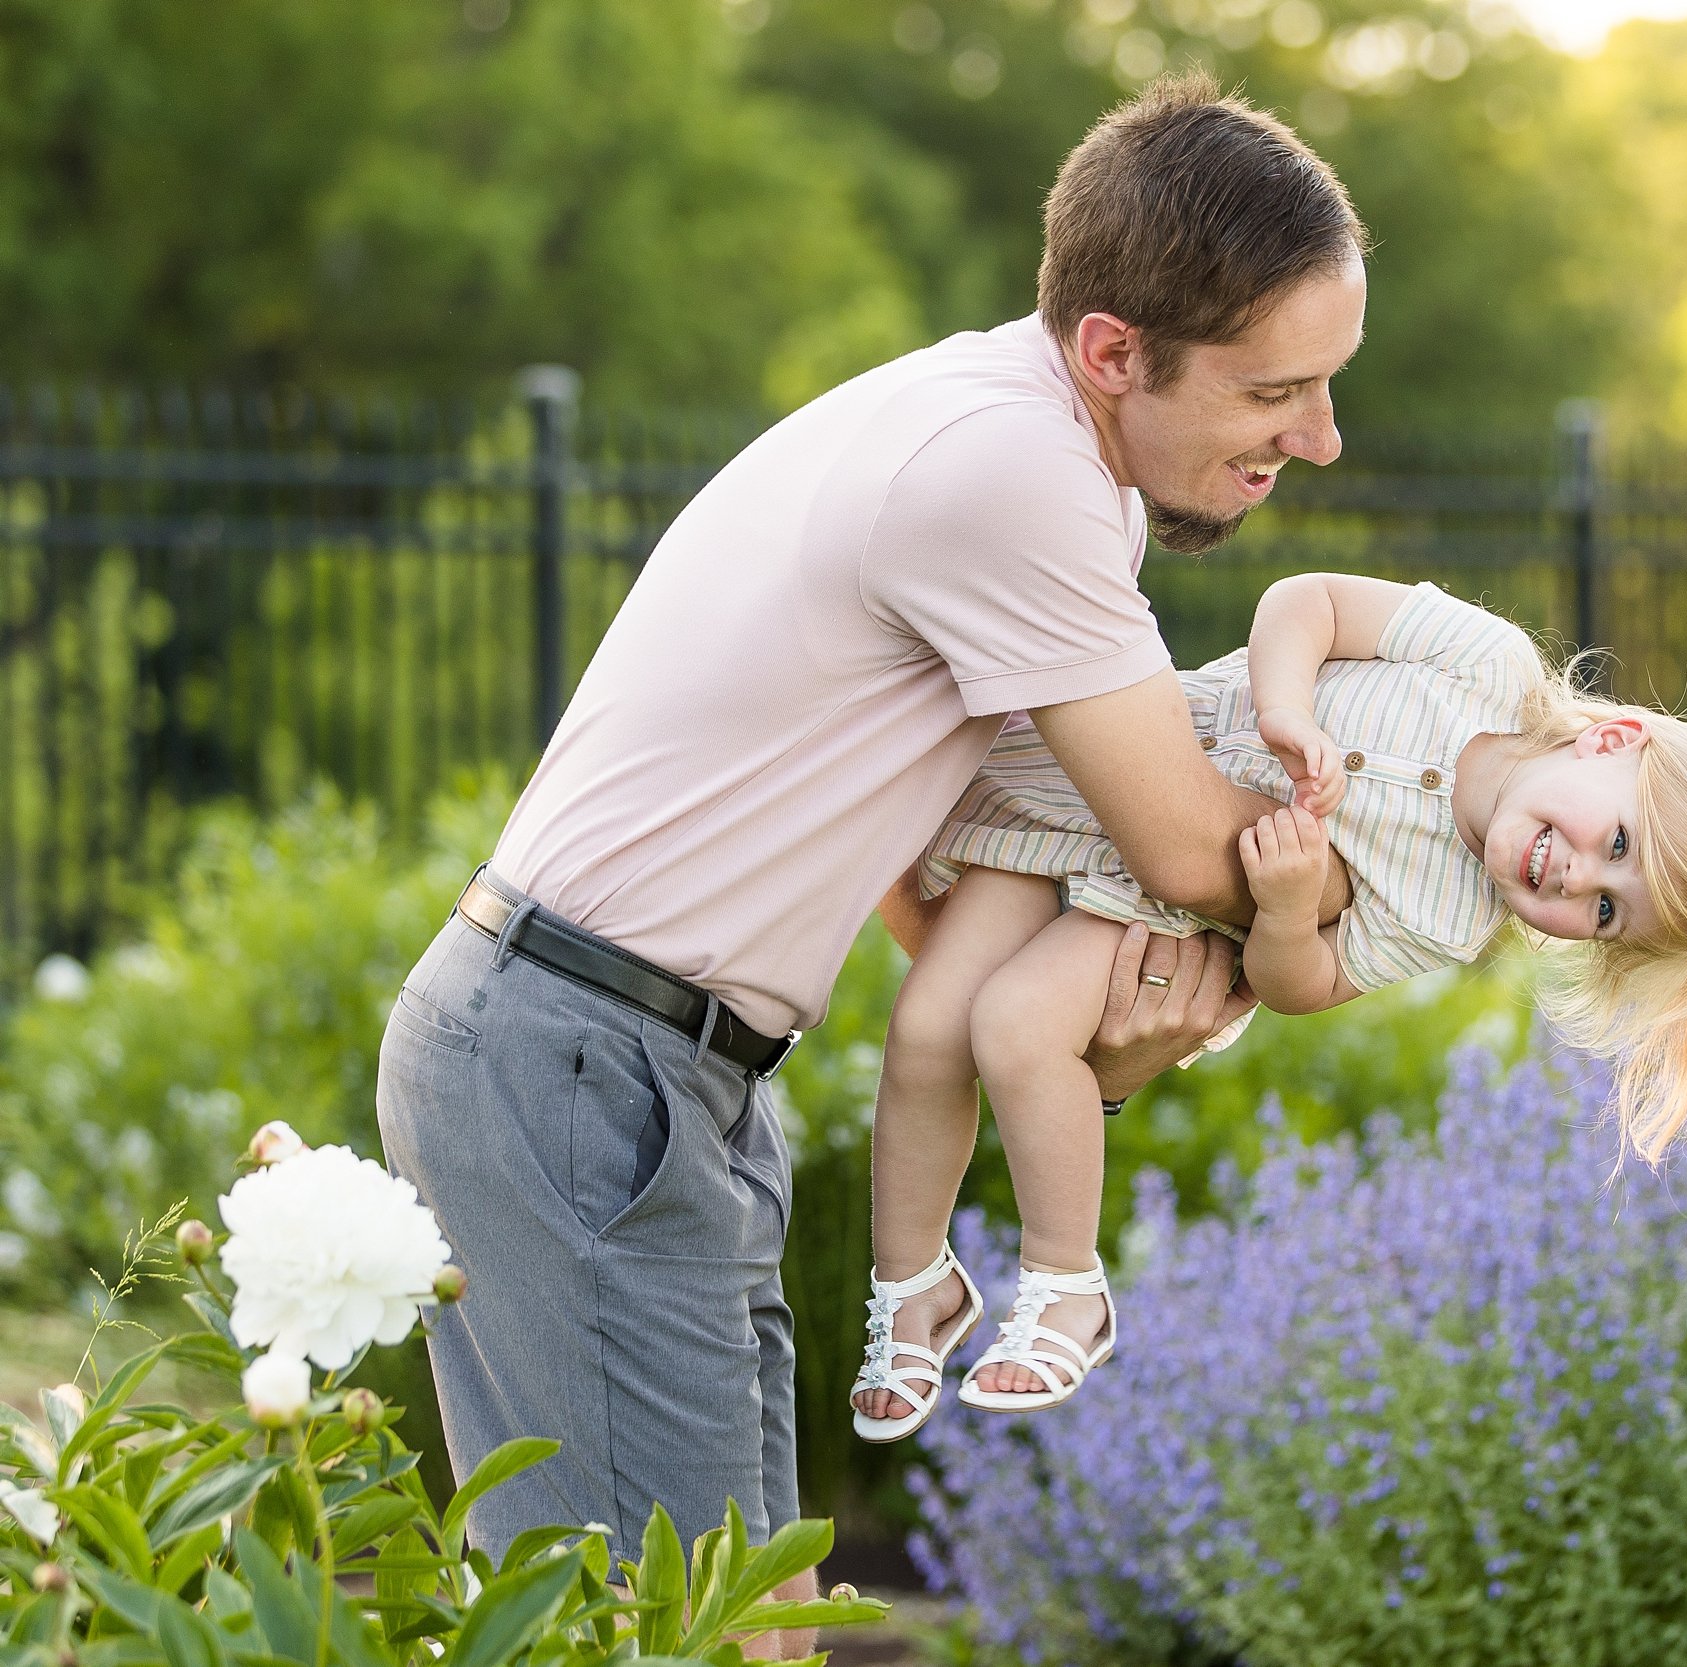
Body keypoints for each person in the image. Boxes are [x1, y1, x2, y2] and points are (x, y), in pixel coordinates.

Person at [374, 73, 1366, 1639]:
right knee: (667, 1638)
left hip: (654, 1071)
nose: (1316, 437)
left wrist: (1091, 1054)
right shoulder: (1011, 472)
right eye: (1273, 393)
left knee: (740, 1625)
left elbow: (955, 882)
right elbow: (1188, 846)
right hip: (585, 1060)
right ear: (1115, 350)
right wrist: (1388, 881)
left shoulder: (1050, 465)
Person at [848, 574, 1687, 1436]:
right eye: (1618, 843)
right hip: (1097, 786)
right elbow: (1310, 603)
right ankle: (913, 1285)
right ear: (1612, 740)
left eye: (1605, 911)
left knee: (1013, 1025)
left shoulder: (1449, 915)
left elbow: (1302, 985)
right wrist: (1284, 707)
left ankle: (1065, 1288)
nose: (1579, 875)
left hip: (1148, 903)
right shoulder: (1487, 668)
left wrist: (1290, 909)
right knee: (926, 1028)